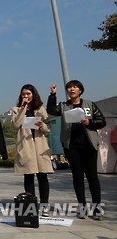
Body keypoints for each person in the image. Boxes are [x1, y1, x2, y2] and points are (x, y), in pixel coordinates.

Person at [46, 80, 106, 220]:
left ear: (80, 90)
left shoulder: (89, 105)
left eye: (75, 87)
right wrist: (52, 94)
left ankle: (97, 209)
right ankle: (82, 207)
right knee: (77, 177)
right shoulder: (63, 106)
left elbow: (101, 121)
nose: (72, 89)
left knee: (92, 178)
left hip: (89, 146)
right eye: (69, 87)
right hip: (72, 146)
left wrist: (89, 122)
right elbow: (51, 110)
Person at [10, 84, 53, 216]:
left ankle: (45, 205)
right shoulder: (16, 109)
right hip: (26, 145)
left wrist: (42, 125)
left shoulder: (40, 109)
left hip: (39, 145)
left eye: (28, 94)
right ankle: (31, 206)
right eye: (23, 94)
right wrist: (23, 108)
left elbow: (48, 129)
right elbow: (16, 124)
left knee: (42, 176)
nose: (26, 96)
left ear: (33, 94)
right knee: (28, 176)